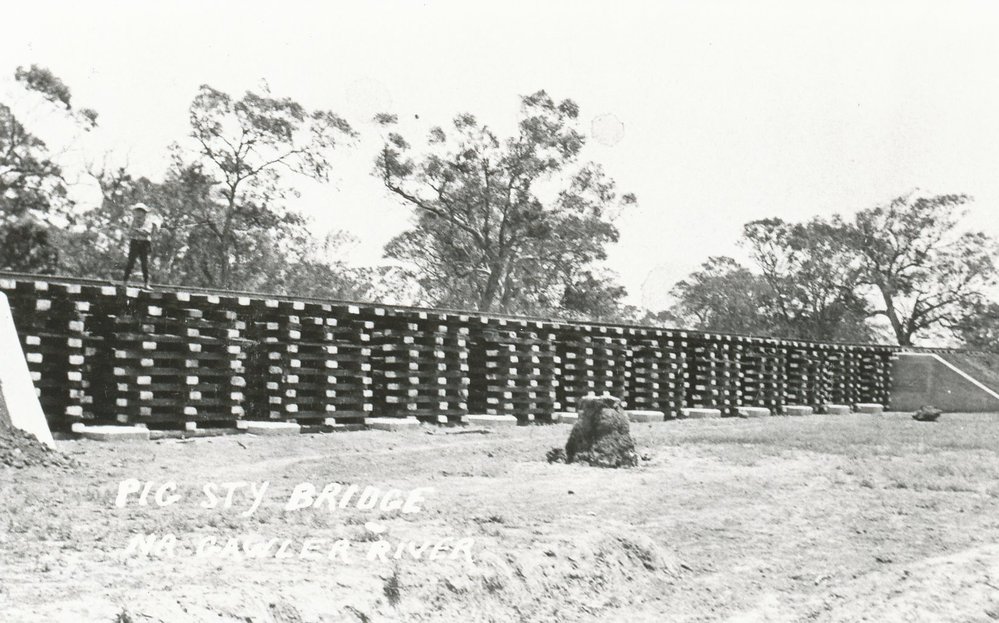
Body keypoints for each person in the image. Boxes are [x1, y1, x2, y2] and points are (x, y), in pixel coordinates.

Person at [122, 202, 157, 289]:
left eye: (141, 211)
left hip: (144, 243)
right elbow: (129, 233)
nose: (139, 213)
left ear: (144, 213)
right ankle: (124, 283)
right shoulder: (132, 221)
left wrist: (136, 230)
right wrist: (136, 229)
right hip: (135, 242)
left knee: (144, 264)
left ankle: (146, 283)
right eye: (137, 211)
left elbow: (146, 233)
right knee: (130, 263)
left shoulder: (148, 222)